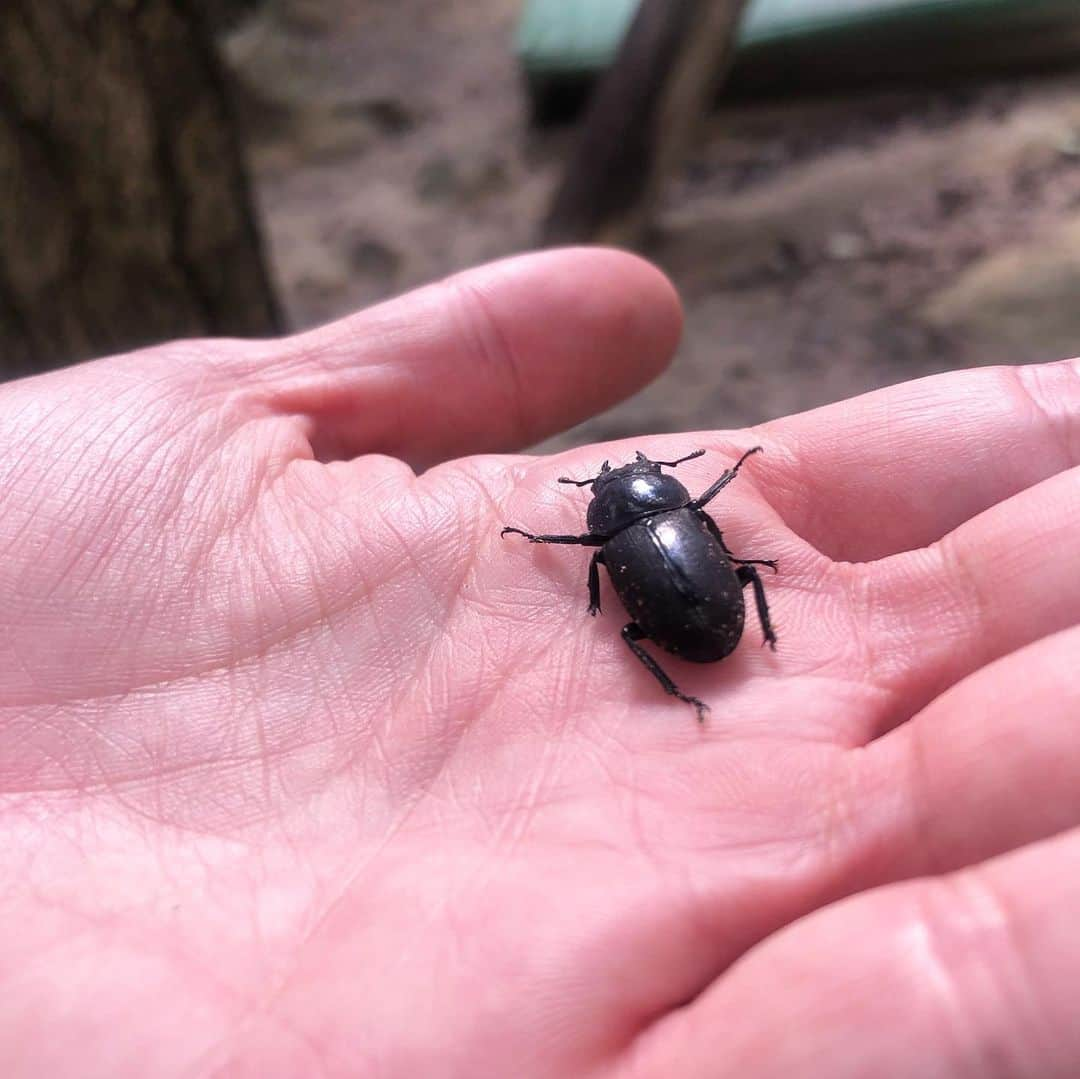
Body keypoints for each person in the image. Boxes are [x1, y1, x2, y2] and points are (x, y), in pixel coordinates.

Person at [0, 247, 1077, 1077]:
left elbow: (607, 575)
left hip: (683, 619)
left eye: (639, 475)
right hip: (705, 608)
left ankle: (711, 665)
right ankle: (747, 646)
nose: (634, 476)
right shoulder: (676, 515)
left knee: (644, 616)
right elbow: (672, 546)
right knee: (722, 579)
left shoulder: (607, 541)